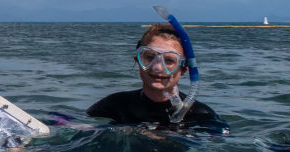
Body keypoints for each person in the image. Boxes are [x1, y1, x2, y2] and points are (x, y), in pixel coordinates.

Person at [87, 22, 226, 131]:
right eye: (149, 57)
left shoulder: (201, 115)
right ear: (138, 61)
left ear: (183, 69)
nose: (157, 67)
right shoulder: (115, 105)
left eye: (169, 61)